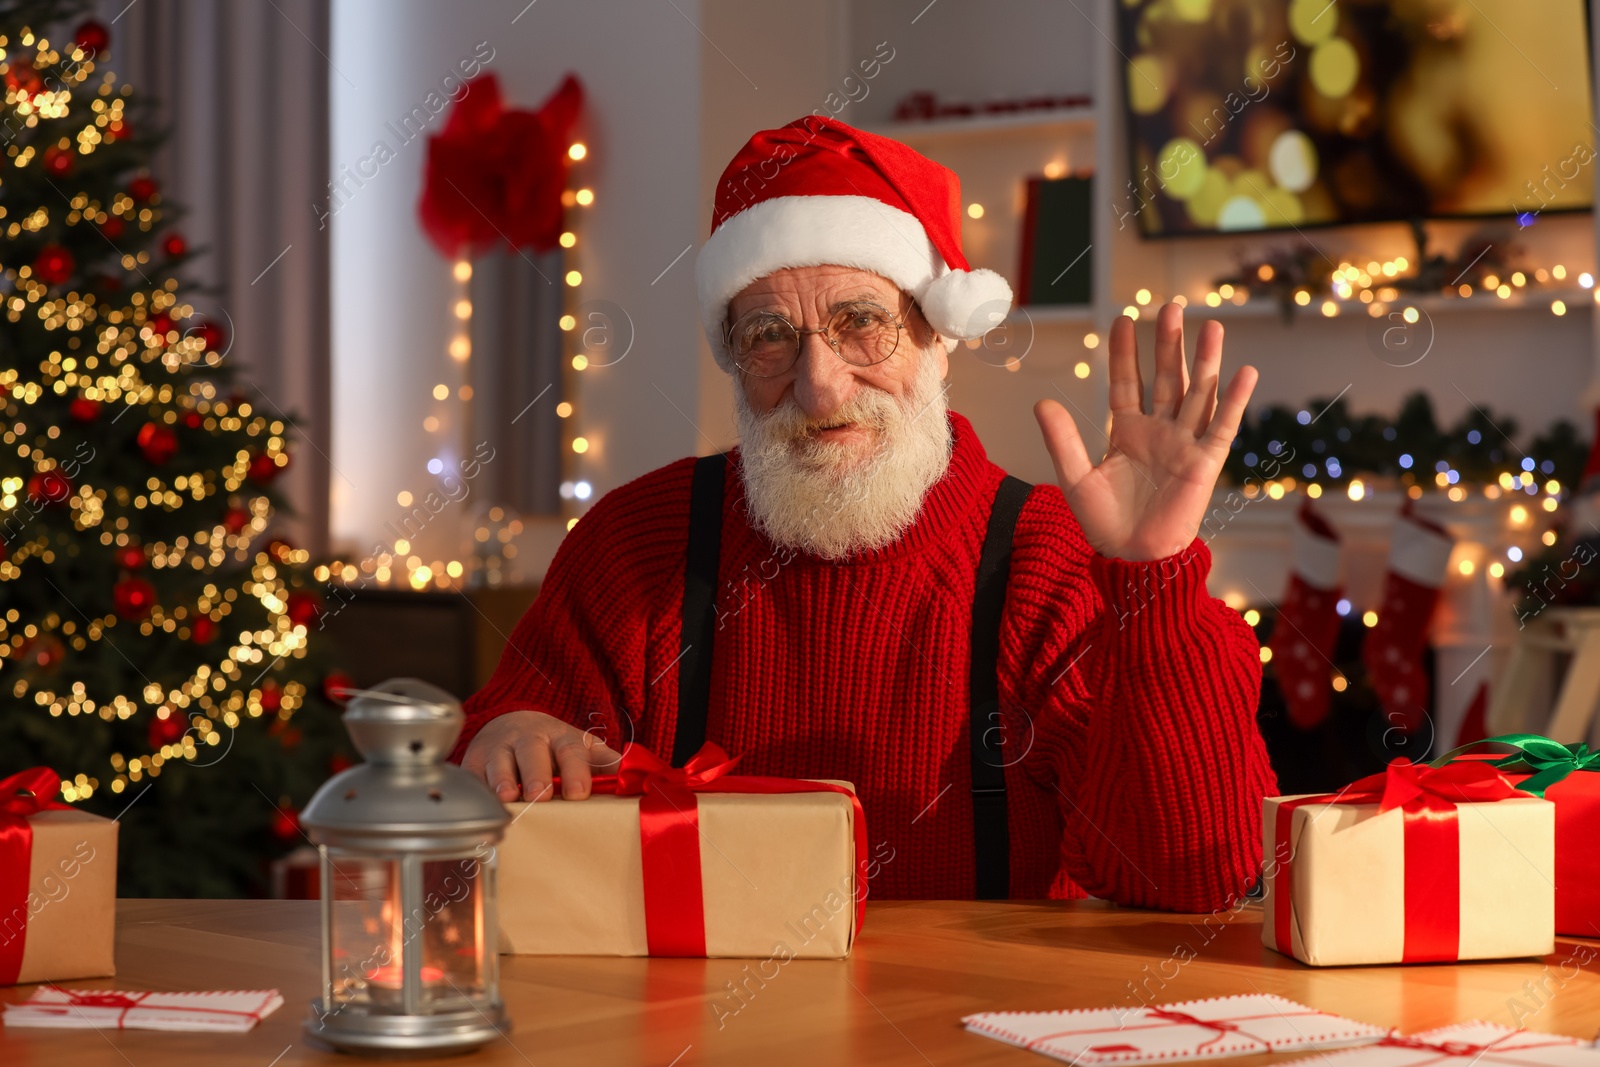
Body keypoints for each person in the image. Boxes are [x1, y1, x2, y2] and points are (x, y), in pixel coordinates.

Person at [452, 115, 1277, 910]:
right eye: (771, 335)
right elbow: (485, 796)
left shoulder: (1048, 563)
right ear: (735, 358)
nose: (819, 387)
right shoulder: (633, 546)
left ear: (938, 335)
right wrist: (501, 739)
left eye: (861, 323)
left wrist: (1152, 578)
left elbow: (1194, 879)